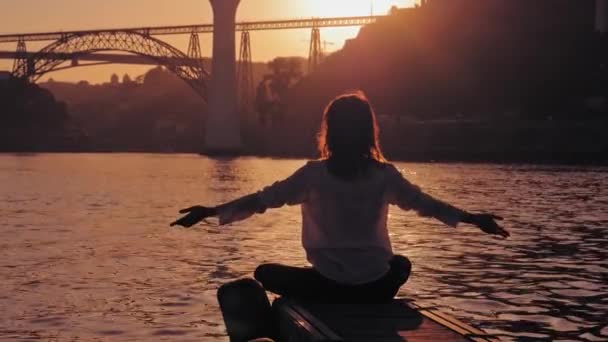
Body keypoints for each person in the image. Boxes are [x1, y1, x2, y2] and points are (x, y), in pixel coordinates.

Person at [170, 91, 509, 339]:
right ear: (368, 132)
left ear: (329, 130)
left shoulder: (312, 175)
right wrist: (474, 218)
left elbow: (262, 200)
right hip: (375, 287)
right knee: (402, 264)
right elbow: (428, 205)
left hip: (329, 284)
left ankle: (300, 308)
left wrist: (210, 211)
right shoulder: (384, 174)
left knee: (263, 272)